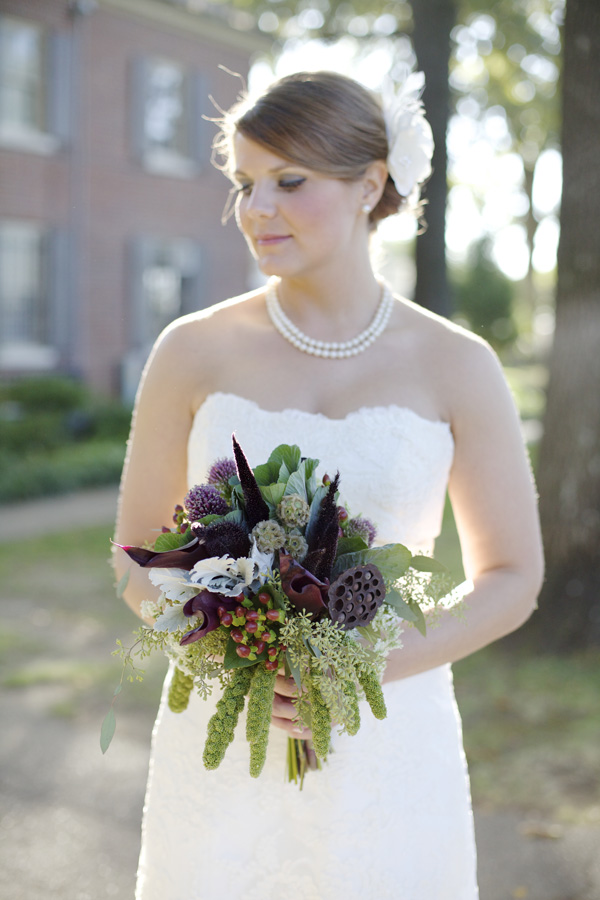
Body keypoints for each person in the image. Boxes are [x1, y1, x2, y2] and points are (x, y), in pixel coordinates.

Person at [114, 70, 544, 900]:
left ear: (369, 186)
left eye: (289, 180)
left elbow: (513, 577)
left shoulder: (459, 364)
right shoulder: (191, 350)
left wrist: (370, 663)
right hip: (223, 732)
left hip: (389, 734)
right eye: (245, 182)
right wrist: (231, 639)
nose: (256, 208)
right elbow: (135, 555)